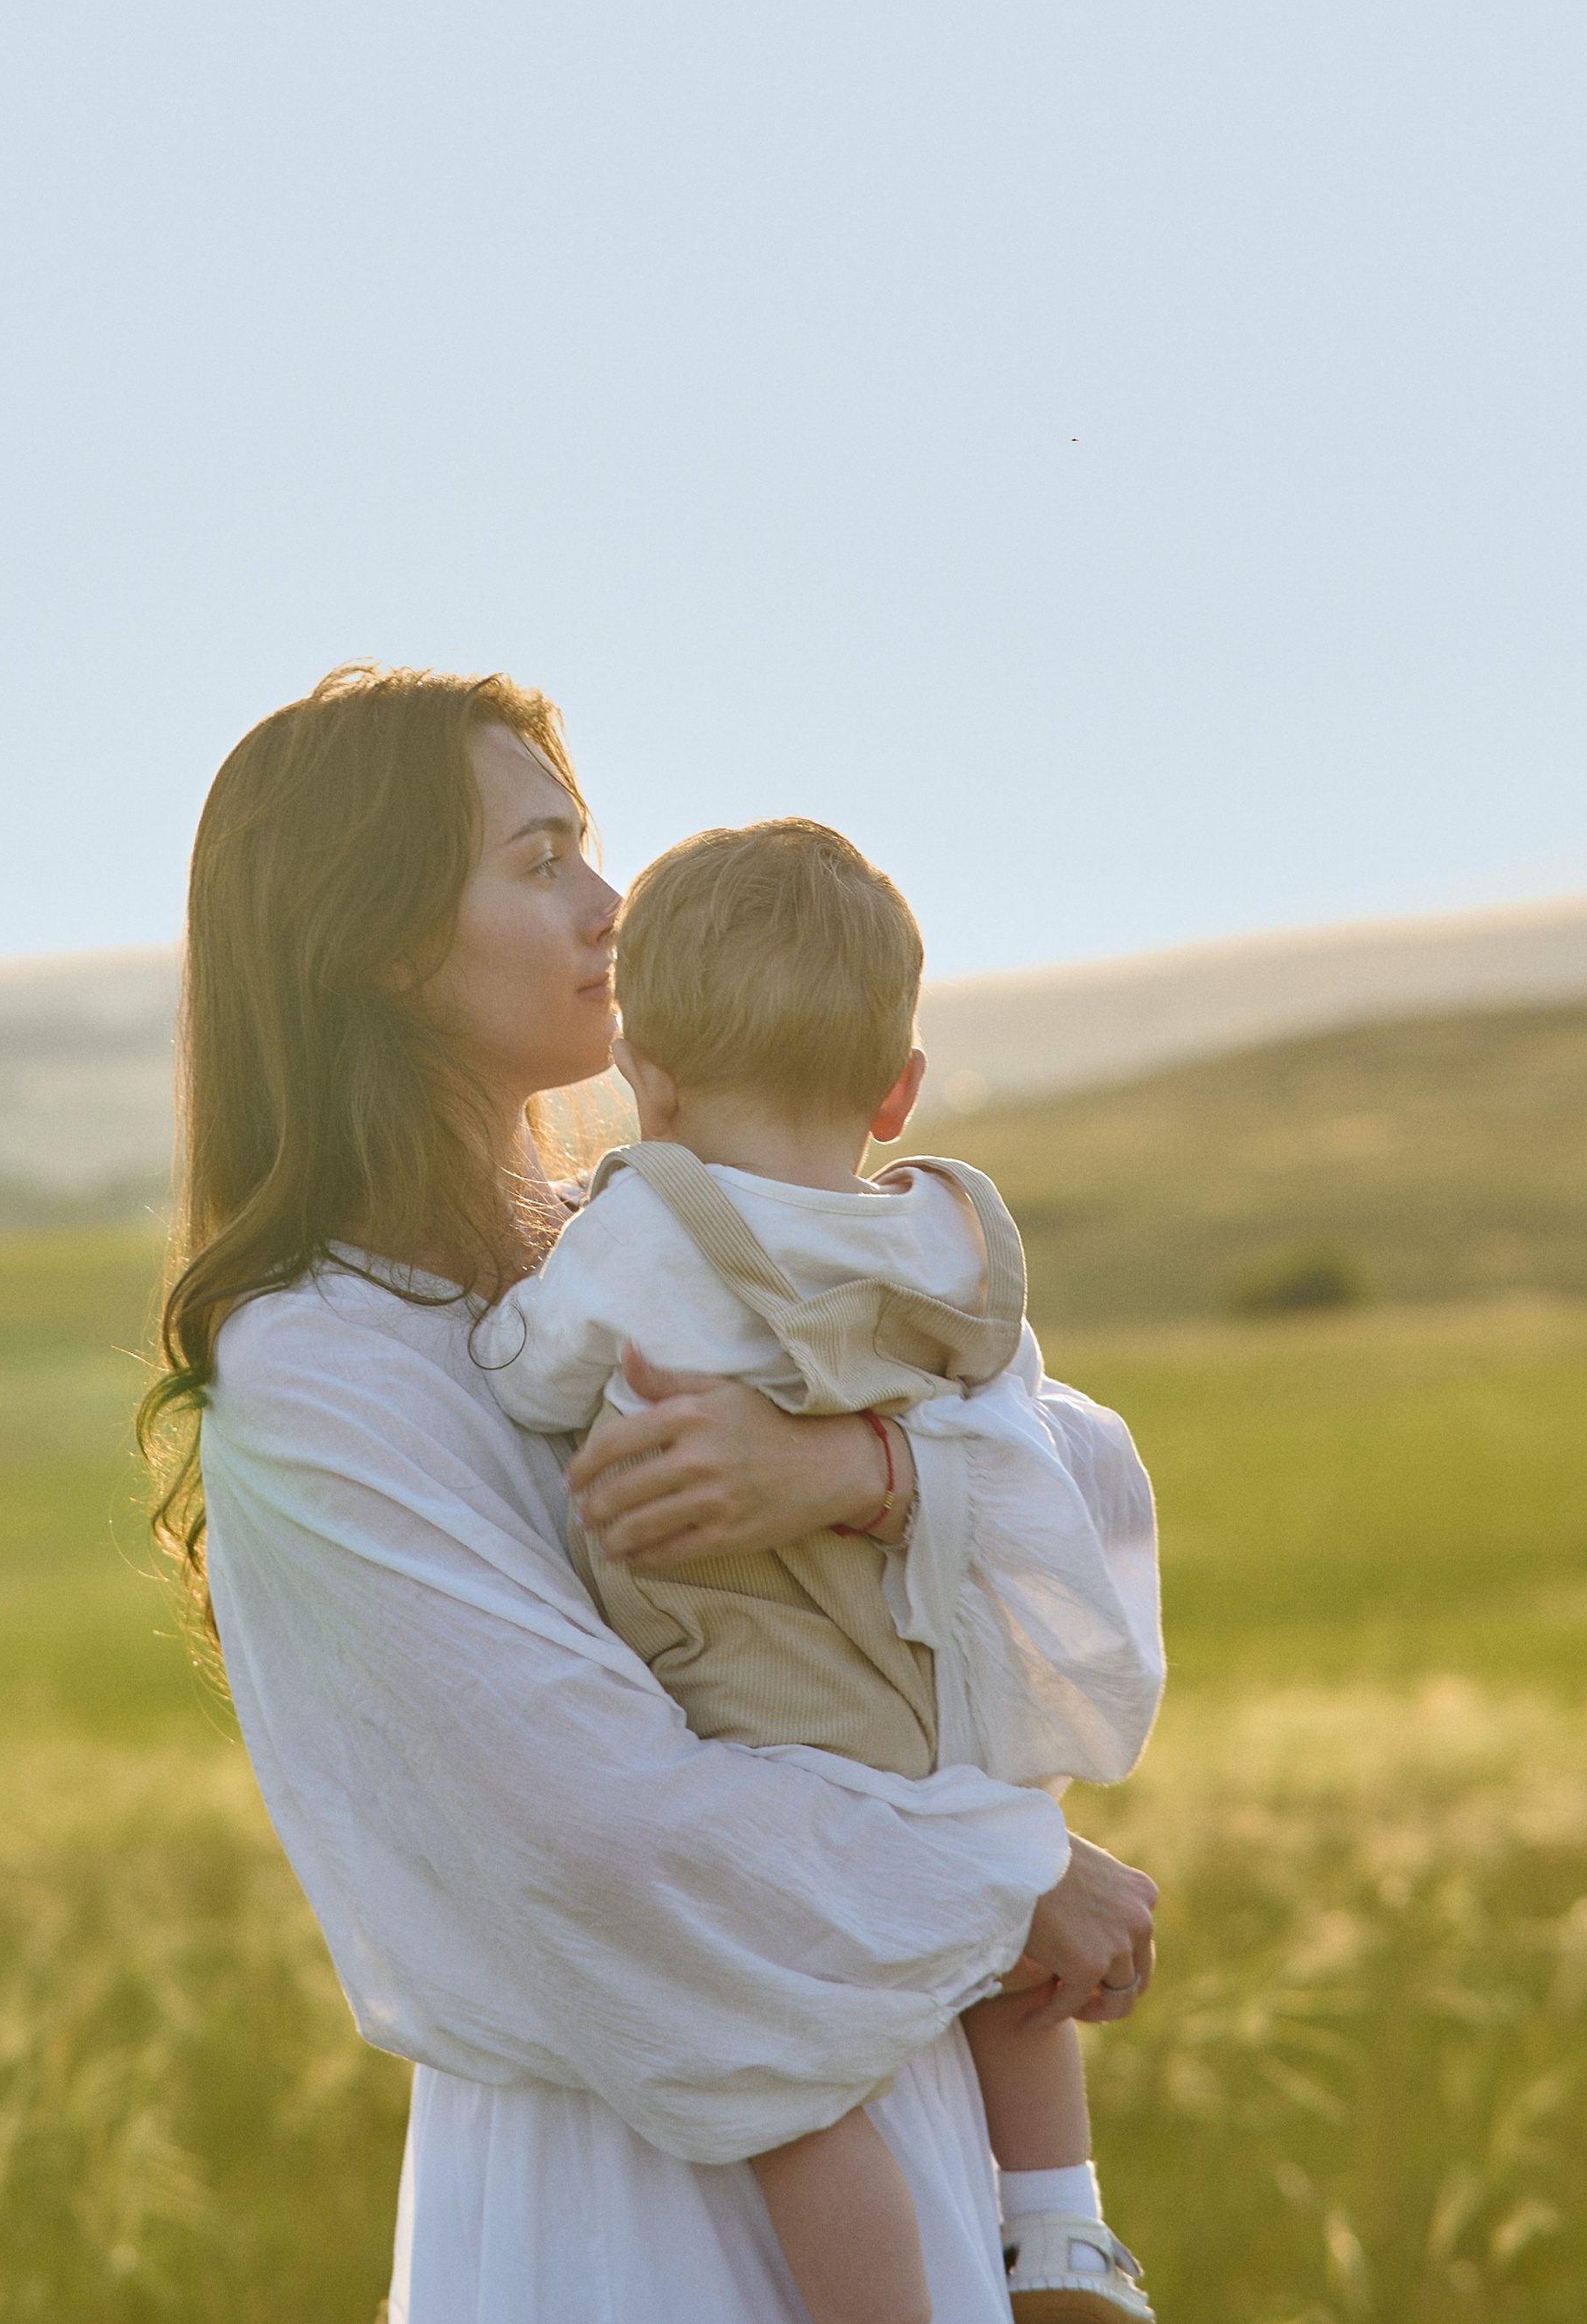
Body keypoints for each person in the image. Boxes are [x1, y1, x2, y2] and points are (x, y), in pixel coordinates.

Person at [138, 667, 1159, 2324]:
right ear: (378, 943)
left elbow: (1095, 1481)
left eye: (588, 849)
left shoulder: (642, 1234)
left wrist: (862, 1469)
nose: (612, 907)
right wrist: (1009, 1874)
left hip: (894, 2092)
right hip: (619, 2194)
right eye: (542, 862)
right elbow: (599, 1831)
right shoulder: (316, 1368)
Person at [479, 818, 1164, 2324]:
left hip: (765, 1706)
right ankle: (1060, 2231)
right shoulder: (948, 1238)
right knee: (1004, 1953)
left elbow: (528, 1381)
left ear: (643, 1078)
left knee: (799, 2092)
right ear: (898, 1087)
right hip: (937, 1689)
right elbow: (1022, 1430)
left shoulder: (645, 1232)